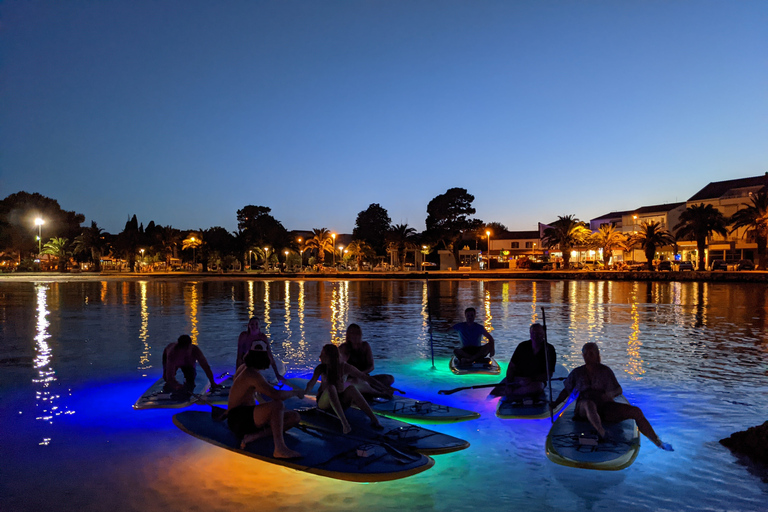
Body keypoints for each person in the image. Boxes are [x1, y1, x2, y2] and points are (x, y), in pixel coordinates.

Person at [551, 342, 673, 451]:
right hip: (583, 409)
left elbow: (618, 389)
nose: (589, 356)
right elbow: (566, 391)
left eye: (592, 353)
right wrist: (555, 404)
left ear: (598, 355)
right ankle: (602, 432)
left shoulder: (605, 371)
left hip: (604, 407)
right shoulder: (577, 372)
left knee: (636, 411)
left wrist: (610, 394)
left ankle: (657, 442)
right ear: (583, 356)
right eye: (586, 354)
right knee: (589, 404)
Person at [227, 348, 304, 458]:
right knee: (278, 405)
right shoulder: (251, 374)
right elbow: (276, 395)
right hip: (238, 420)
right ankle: (279, 448)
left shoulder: (247, 370)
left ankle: (254, 436)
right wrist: (295, 393)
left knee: (294, 417)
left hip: (245, 418)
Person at [305, 344, 383, 434]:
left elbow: (363, 376)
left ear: (329, 357)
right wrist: (304, 392)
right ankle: (345, 424)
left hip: (342, 402)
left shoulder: (344, 367)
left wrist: (381, 386)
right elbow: (312, 382)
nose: (320, 356)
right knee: (331, 387)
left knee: (351, 388)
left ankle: (374, 419)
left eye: (322, 354)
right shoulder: (321, 368)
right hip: (324, 404)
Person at [339, 323, 398, 398]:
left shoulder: (365, 346)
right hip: (351, 379)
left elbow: (371, 366)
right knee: (358, 384)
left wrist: (361, 374)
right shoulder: (344, 348)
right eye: (352, 333)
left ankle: (374, 388)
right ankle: (372, 391)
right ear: (348, 335)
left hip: (365, 377)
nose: (354, 336)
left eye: (357, 333)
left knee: (389, 378)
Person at [502, 323, 556, 398]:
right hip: (518, 379)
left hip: (535, 381)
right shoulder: (522, 346)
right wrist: (509, 382)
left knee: (537, 387)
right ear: (530, 333)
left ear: (544, 334)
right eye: (533, 333)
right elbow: (511, 367)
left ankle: (511, 394)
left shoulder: (549, 349)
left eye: (539, 334)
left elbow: (548, 375)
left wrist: (531, 379)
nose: (536, 336)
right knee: (501, 386)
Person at [236, 317, 285, 384]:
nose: (254, 326)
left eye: (256, 324)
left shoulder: (262, 337)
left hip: (259, 362)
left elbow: (269, 355)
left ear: (259, 326)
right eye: (252, 324)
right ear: (249, 325)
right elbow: (239, 356)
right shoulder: (243, 336)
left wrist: (277, 374)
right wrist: (237, 374)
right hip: (246, 361)